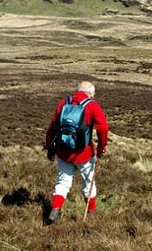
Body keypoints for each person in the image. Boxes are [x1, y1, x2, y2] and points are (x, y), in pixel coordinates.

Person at [44, 81, 109, 224]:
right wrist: (101, 147)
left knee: (62, 182)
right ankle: (91, 212)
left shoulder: (64, 102)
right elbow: (103, 127)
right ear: (91, 94)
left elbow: (52, 127)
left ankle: (55, 210)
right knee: (88, 181)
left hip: (63, 152)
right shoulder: (92, 105)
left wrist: (50, 148)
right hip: (84, 154)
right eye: (94, 94)